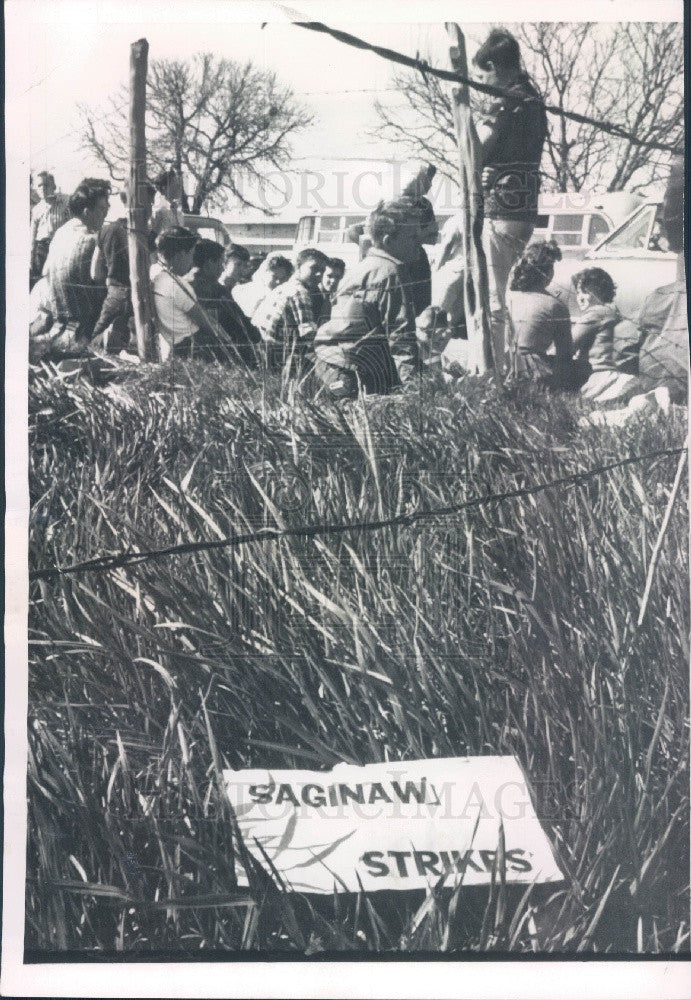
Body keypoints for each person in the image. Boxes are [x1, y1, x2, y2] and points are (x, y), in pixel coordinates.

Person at [472, 29, 548, 368]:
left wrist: (478, 158)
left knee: (492, 295)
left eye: (481, 76)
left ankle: (492, 372)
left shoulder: (505, 101)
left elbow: (474, 150)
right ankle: (503, 367)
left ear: (493, 66)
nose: (480, 84)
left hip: (502, 206)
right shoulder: (532, 98)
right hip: (524, 204)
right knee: (500, 291)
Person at [313, 200, 421, 399]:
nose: (418, 243)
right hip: (349, 371)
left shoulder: (365, 266)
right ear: (389, 241)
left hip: (327, 361)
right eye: (413, 237)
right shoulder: (393, 272)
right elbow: (400, 337)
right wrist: (414, 390)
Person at [43, 177, 111, 348]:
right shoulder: (93, 239)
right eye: (102, 209)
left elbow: (45, 272)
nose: (106, 214)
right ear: (87, 212)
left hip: (60, 327)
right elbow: (100, 279)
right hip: (85, 330)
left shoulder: (60, 233)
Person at [89, 183, 156, 353]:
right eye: (150, 203)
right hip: (140, 297)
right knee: (142, 344)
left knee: (95, 342)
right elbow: (153, 268)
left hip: (114, 294)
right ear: (140, 203)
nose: (151, 208)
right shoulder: (146, 235)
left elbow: (95, 273)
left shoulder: (105, 231)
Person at [505, 240, 572, 386]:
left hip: (503, 364)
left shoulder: (508, 297)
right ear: (548, 272)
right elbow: (565, 353)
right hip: (532, 370)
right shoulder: (555, 305)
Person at [152, 226, 224, 361]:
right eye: (191, 255)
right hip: (192, 346)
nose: (191, 262)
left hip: (175, 345)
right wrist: (227, 340)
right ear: (181, 255)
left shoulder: (156, 276)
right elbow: (206, 323)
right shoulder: (177, 285)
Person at [255, 247, 329, 377]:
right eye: (314, 268)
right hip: (275, 357)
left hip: (261, 350)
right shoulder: (299, 292)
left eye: (322, 271)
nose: (319, 274)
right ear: (298, 266)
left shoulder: (284, 287)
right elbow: (309, 334)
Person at [570, 268, 641, 402]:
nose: (580, 297)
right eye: (578, 292)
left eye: (586, 292)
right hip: (613, 371)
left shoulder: (596, 313)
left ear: (600, 291)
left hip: (596, 375)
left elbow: (567, 345)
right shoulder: (612, 311)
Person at [188, 239, 261, 366]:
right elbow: (241, 324)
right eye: (221, 263)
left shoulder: (184, 284)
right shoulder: (215, 290)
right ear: (210, 263)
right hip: (217, 357)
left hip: (192, 354)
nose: (222, 269)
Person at [30, 171, 71, 287]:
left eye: (46, 185)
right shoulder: (37, 209)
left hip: (59, 247)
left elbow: (71, 226)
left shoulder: (64, 203)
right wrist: (31, 259)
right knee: (41, 281)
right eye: (39, 186)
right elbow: (32, 237)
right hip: (41, 248)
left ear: (54, 186)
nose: (43, 188)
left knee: (58, 280)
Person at [232, 252, 293, 319]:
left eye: (282, 279)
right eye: (274, 277)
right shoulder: (242, 290)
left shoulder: (284, 297)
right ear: (264, 273)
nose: (278, 282)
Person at [150, 168, 182, 240]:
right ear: (165, 188)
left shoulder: (176, 208)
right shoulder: (159, 209)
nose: (178, 187)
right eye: (175, 184)